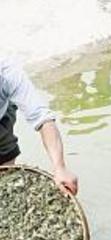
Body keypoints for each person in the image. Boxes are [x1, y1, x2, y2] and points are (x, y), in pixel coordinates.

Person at [0, 58, 78, 194]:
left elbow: (43, 119)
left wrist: (60, 167)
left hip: (2, 117)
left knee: (5, 173)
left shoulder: (9, 73)